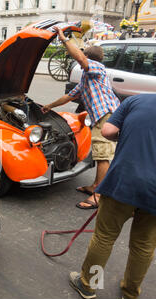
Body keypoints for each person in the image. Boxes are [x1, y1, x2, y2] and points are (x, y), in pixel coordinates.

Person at [69, 92, 156, 299]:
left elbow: (108, 131)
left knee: (104, 237)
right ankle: (130, 293)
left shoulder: (138, 100)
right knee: (143, 246)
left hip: (124, 182)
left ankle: (89, 285)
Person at [42, 27, 120, 210]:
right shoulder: (87, 77)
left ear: (89, 58)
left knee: (103, 156)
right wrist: (49, 106)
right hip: (104, 116)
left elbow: (80, 58)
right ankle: (95, 186)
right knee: (101, 153)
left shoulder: (97, 68)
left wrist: (63, 39)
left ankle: (98, 196)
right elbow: (69, 97)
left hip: (106, 116)